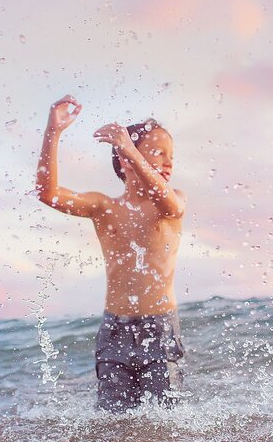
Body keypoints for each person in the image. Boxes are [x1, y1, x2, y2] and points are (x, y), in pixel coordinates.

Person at [35, 94, 187, 413]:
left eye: (171, 155)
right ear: (126, 159)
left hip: (159, 328)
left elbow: (170, 203)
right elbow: (47, 194)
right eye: (159, 153)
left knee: (168, 422)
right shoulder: (105, 208)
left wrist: (130, 148)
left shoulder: (169, 204)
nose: (169, 162)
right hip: (114, 329)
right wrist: (54, 131)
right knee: (113, 424)